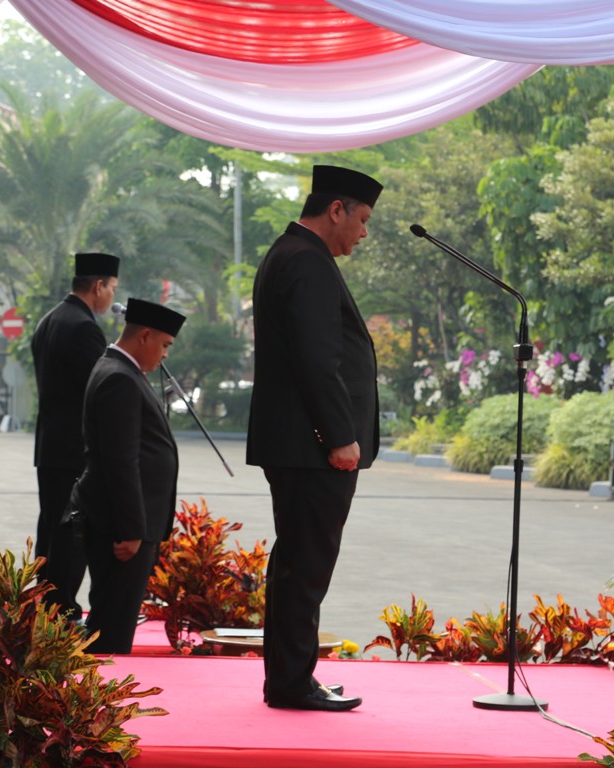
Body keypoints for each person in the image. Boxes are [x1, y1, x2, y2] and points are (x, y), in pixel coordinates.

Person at [247, 165, 383, 712]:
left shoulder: (292, 254)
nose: (363, 233)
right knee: (305, 566)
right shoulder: (307, 262)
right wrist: (339, 436)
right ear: (336, 210)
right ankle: (292, 683)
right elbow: (316, 361)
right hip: (311, 446)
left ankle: (288, 677)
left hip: (298, 443)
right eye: (363, 219)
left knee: (294, 563)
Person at [68, 298, 186, 654]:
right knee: (112, 629)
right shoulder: (119, 377)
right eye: (165, 345)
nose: (165, 355)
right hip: (120, 527)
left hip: (119, 520)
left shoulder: (119, 370)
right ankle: (98, 699)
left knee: (111, 619)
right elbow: (121, 461)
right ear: (145, 336)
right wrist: (131, 529)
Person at [30, 252, 119, 616]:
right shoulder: (83, 327)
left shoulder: (50, 319)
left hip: (51, 444)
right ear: (98, 286)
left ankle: (46, 604)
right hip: (72, 449)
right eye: (112, 287)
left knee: (51, 526)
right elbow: (98, 390)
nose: (112, 295)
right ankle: (61, 610)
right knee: (69, 532)